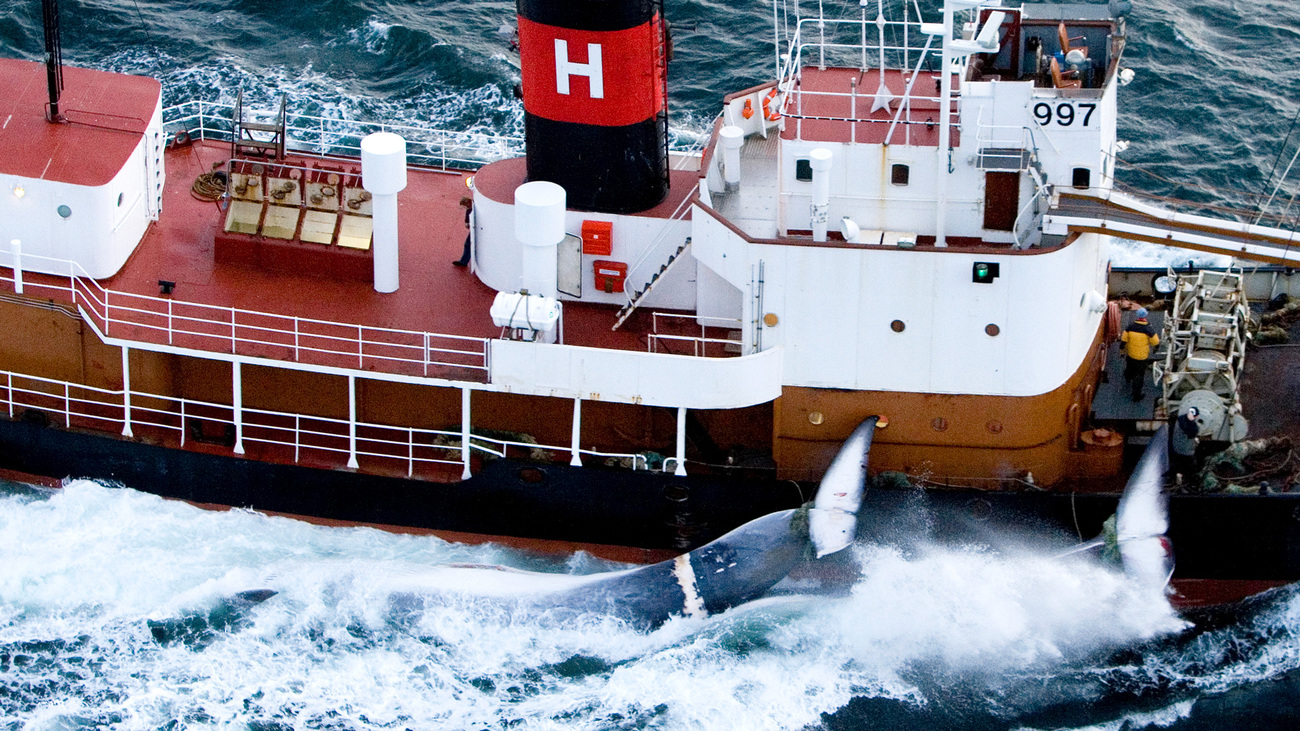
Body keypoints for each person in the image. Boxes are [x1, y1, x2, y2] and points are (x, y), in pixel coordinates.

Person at [1119, 307, 1159, 401]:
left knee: (1129, 368)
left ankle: (1127, 378)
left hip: (1130, 354)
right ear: (1145, 316)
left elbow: (1123, 341)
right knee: (1139, 375)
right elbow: (1156, 342)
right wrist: (1155, 349)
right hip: (1141, 357)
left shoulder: (1129, 327)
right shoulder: (1149, 330)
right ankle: (1136, 396)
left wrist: (1122, 351)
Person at [1170, 406, 1201, 483]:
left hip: (1176, 448)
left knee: (1178, 464)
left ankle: (1177, 476)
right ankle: (1190, 481)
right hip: (1186, 451)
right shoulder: (1192, 427)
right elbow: (1192, 434)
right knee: (1191, 466)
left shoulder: (1180, 418)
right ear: (1196, 416)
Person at [453, 197, 472, 267]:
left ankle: (464, 261)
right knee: (468, 244)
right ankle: (464, 261)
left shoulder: (472, 209)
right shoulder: (470, 209)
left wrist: (467, 223)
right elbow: (467, 218)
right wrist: (466, 222)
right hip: (473, 229)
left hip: (474, 230)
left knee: (468, 244)